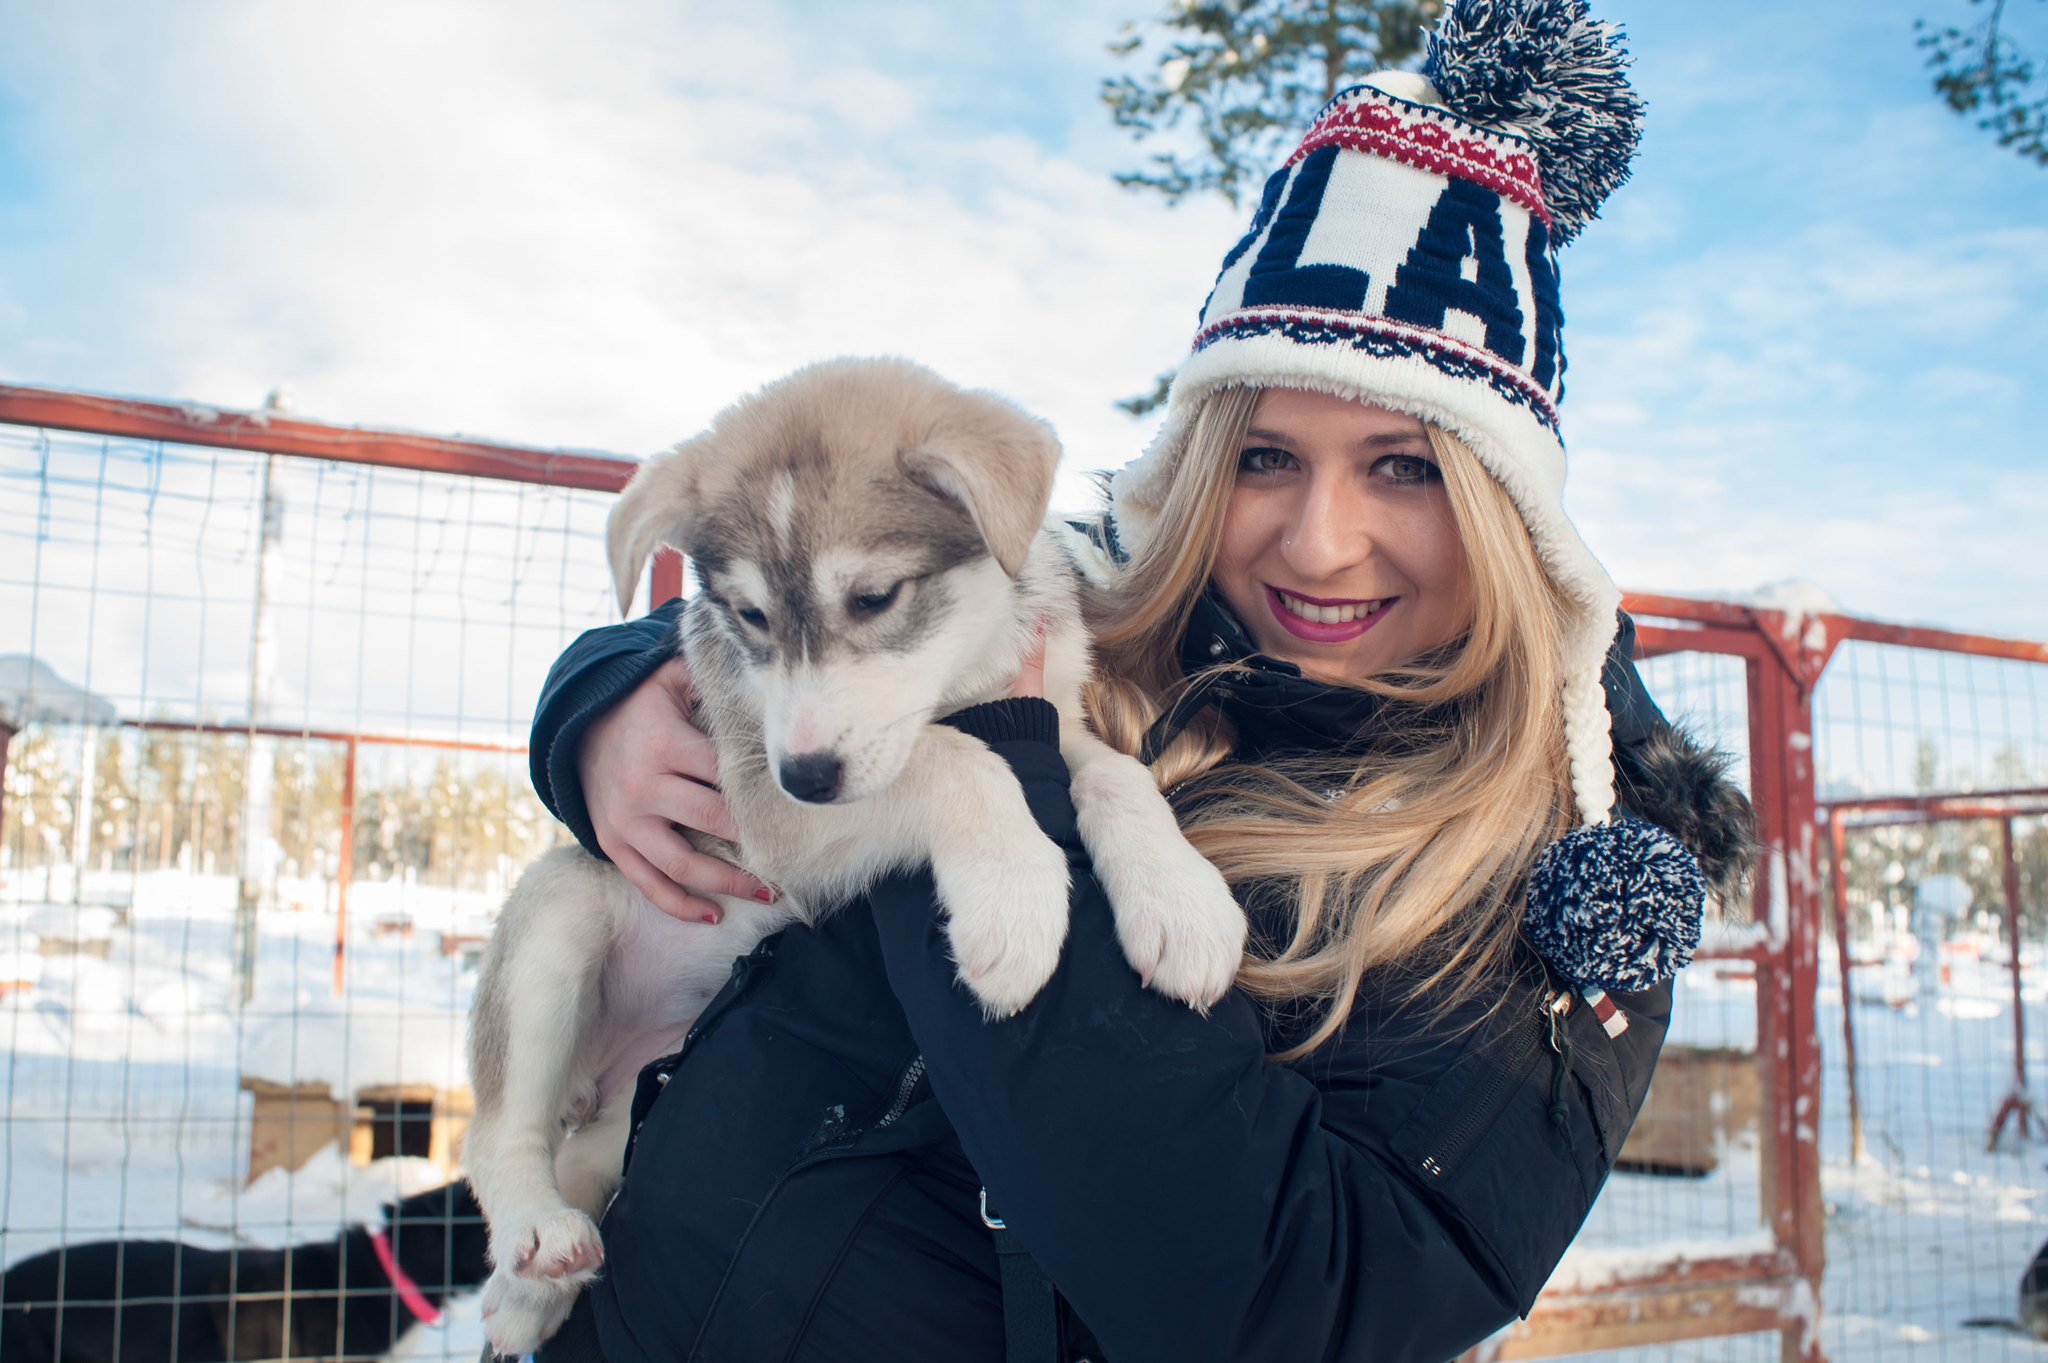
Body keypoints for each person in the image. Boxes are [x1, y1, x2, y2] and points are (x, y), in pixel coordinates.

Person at [524, 4, 1758, 1361]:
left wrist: (1009, 791)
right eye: (1264, 457)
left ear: (1513, 504)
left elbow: (1292, 1306)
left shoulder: (1570, 887)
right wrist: (613, 704)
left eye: (1407, 466)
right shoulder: (1118, 623)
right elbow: (838, 592)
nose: (1319, 539)